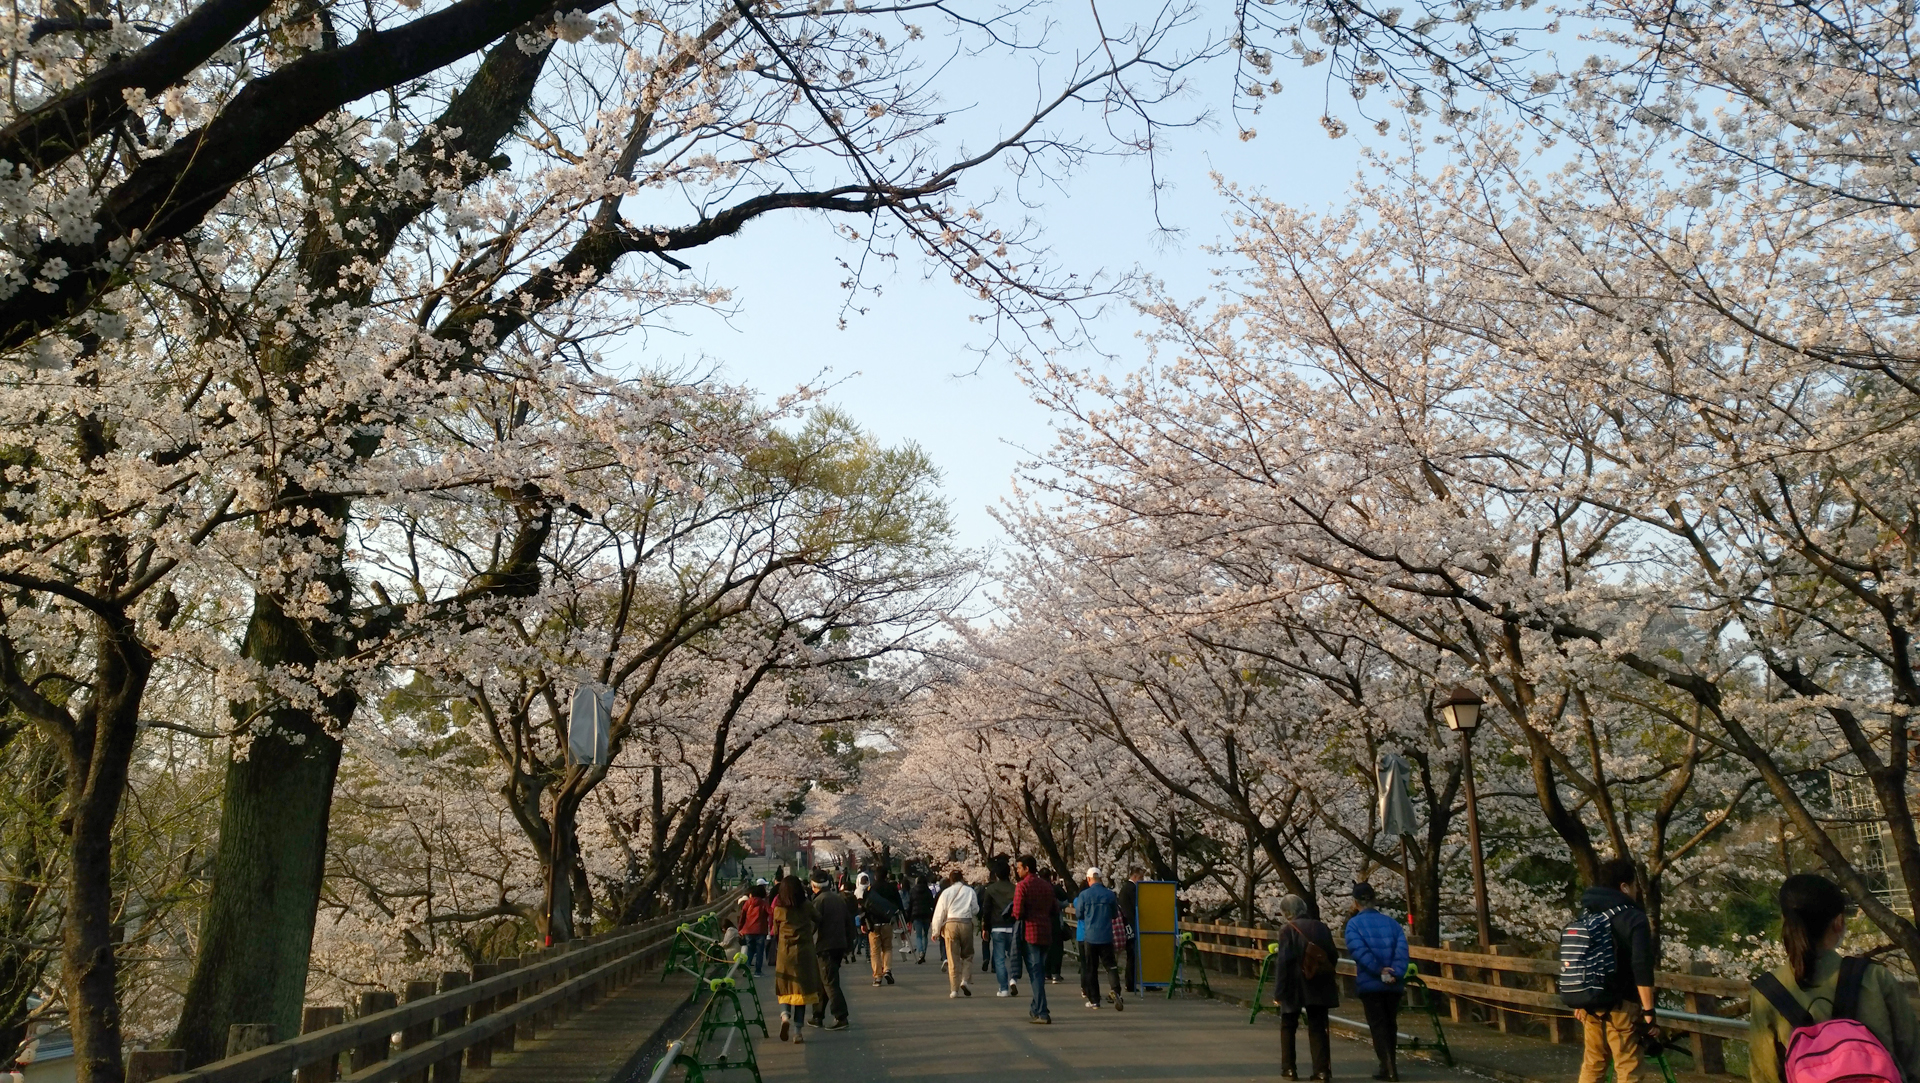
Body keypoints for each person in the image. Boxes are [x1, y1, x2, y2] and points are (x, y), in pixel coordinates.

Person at [1749, 873, 1920, 1083]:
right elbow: (1913, 1058)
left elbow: (1765, 1075)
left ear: (1785, 920)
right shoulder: (1875, 977)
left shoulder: (1768, 992)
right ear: (1839, 922)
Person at [1571, 858, 1658, 1083]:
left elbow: (1580, 957)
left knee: (1593, 1064)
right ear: (1624, 887)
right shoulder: (1633, 917)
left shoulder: (1587, 914)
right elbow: (1641, 966)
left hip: (1591, 1003)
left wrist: (1581, 999)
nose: (1637, 891)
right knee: (1629, 1067)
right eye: (1635, 885)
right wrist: (1648, 1012)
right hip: (1623, 1005)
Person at [1344, 882, 1409, 1081]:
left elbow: (1359, 952)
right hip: (1393, 984)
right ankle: (1390, 1064)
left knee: (1378, 1024)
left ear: (1355, 903)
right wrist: (1395, 972)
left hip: (1370, 983)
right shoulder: (1392, 924)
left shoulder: (1353, 925)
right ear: (1374, 899)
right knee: (1391, 1023)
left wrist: (1378, 970)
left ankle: (1387, 1066)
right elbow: (1402, 951)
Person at [1275, 894, 1340, 1081]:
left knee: (1288, 1025)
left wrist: (1279, 992)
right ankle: (1321, 1071)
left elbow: (1283, 963)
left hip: (1293, 985)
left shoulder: (1287, 930)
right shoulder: (1322, 928)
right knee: (1318, 1027)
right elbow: (1332, 956)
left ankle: (1289, 1069)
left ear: (1286, 913)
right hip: (1318, 983)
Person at [772, 876, 821, 1044]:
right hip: (805, 952)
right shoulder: (806, 905)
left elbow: (775, 930)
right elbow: (818, 919)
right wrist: (810, 930)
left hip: (785, 953)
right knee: (802, 992)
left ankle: (785, 1016)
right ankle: (798, 1032)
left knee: (785, 987)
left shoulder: (778, 909)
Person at [809, 869, 856, 1030]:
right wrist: (849, 946)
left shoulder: (818, 901)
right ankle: (817, 1015)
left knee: (829, 982)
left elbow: (812, 926)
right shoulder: (838, 899)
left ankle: (840, 1015)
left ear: (814, 886)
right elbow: (848, 923)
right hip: (839, 944)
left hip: (825, 946)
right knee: (825, 981)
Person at [1012, 855, 1056, 1024]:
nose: (1017, 870)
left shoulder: (1022, 886)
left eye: (1019, 867)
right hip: (1046, 931)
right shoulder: (1047, 886)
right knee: (1039, 971)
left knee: (1035, 973)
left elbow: (1018, 912)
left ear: (1027, 868)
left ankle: (1042, 1011)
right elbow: (1054, 908)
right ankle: (1036, 1007)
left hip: (1030, 932)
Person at [1073, 867, 1124, 1011]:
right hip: (1107, 936)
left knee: (1091, 969)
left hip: (1090, 936)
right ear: (1101, 878)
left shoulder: (1084, 895)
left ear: (1088, 879)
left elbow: (1079, 914)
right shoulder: (1110, 895)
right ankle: (1115, 990)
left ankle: (1095, 1000)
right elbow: (1114, 914)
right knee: (1110, 966)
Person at [929, 868, 980, 998]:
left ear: (950, 880)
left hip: (950, 924)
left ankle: (954, 990)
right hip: (966, 923)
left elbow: (939, 913)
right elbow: (975, 909)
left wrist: (935, 931)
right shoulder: (970, 891)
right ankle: (965, 980)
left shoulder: (945, 893)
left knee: (952, 957)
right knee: (968, 955)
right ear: (962, 878)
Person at [981, 856, 1022, 997]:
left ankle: (1003, 988)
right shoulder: (1015, 889)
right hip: (1013, 926)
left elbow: (986, 910)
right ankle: (1013, 980)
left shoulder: (991, 889)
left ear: (996, 874)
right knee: (1013, 956)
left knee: (999, 958)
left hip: (997, 927)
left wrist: (985, 928)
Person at [857, 871, 901, 987]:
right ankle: (887, 969)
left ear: (875, 877)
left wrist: (863, 923)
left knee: (875, 951)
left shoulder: (870, 890)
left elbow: (863, 908)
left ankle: (877, 976)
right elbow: (898, 904)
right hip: (887, 922)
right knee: (887, 947)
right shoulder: (891, 888)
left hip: (873, 923)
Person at [740, 881, 773, 976]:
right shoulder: (763, 903)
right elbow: (771, 912)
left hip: (748, 930)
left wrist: (740, 928)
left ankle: (746, 969)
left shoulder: (747, 903)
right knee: (759, 952)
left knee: (750, 950)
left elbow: (742, 916)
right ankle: (757, 971)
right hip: (760, 931)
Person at [1118, 869, 1143, 993]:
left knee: (1130, 955)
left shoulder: (1124, 888)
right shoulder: (1132, 889)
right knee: (1132, 955)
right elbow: (1137, 905)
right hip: (1132, 924)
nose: (1142, 880)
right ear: (1135, 876)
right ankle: (1131, 983)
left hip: (1126, 925)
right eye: (1141, 877)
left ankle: (1130, 982)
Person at [1046, 870, 1069, 982]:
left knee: (1044, 948)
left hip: (1041, 922)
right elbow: (1065, 902)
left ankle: (1046, 972)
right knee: (1056, 947)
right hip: (1055, 920)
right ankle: (1055, 973)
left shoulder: (1036, 887)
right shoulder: (1055, 888)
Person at [907, 873, 935, 963]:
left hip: (916, 915)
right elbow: (932, 903)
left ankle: (920, 952)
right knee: (925, 935)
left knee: (918, 935)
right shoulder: (928, 891)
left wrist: (908, 917)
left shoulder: (913, 891)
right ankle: (924, 953)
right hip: (926, 914)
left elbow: (910, 904)